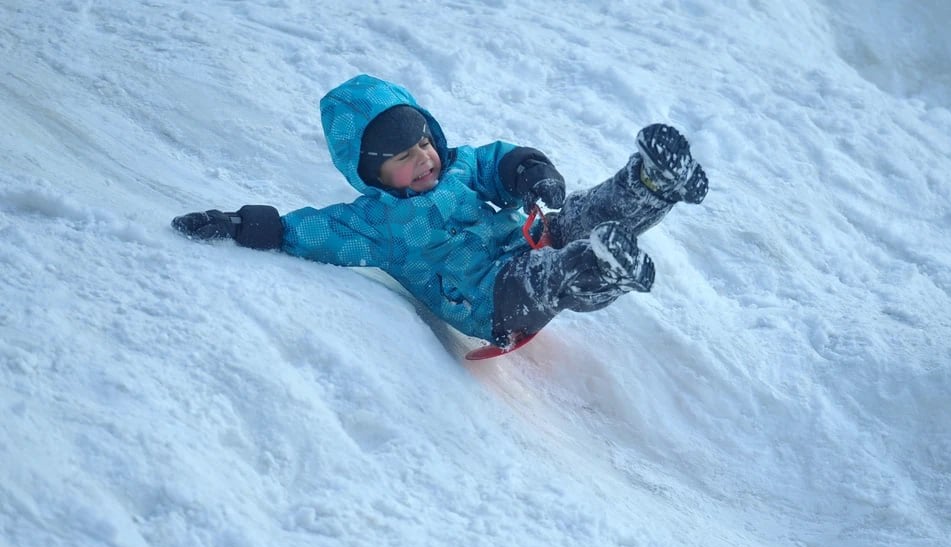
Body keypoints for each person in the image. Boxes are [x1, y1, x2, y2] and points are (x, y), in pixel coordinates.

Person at [172, 74, 708, 347]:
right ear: (373, 176)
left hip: (527, 236)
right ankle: (602, 269)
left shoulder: (457, 165)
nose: (425, 159)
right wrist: (241, 224)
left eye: (424, 142)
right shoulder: (375, 225)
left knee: (583, 216)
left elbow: (501, 162)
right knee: (550, 276)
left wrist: (531, 174)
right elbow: (308, 231)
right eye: (404, 159)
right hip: (488, 302)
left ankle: (651, 184)